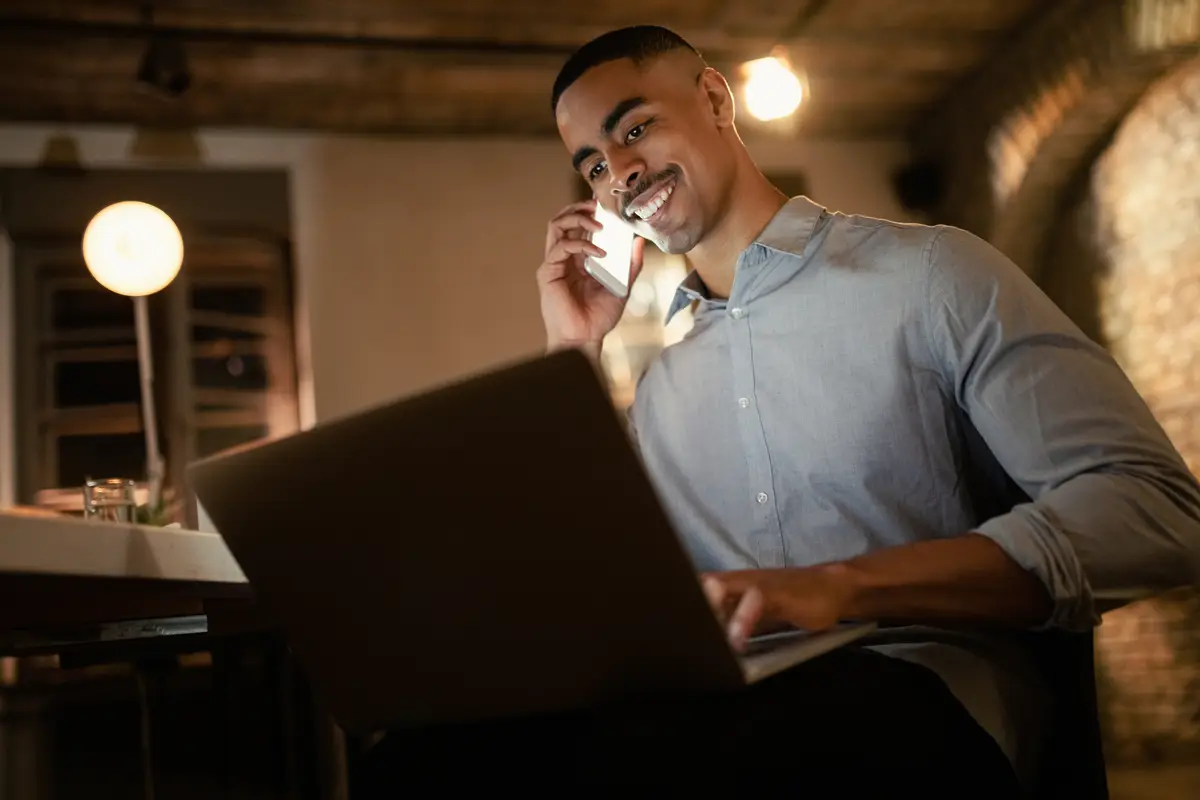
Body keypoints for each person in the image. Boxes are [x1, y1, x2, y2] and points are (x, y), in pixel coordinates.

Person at [359, 25, 1200, 795]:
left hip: (908, 695)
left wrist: (840, 587)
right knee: (416, 762)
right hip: (714, 707)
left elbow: (1155, 512)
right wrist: (572, 350)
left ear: (717, 100)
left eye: (633, 127)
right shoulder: (657, 391)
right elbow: (571, 592)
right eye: (590, 163)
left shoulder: (931, 276)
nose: (617, 172)